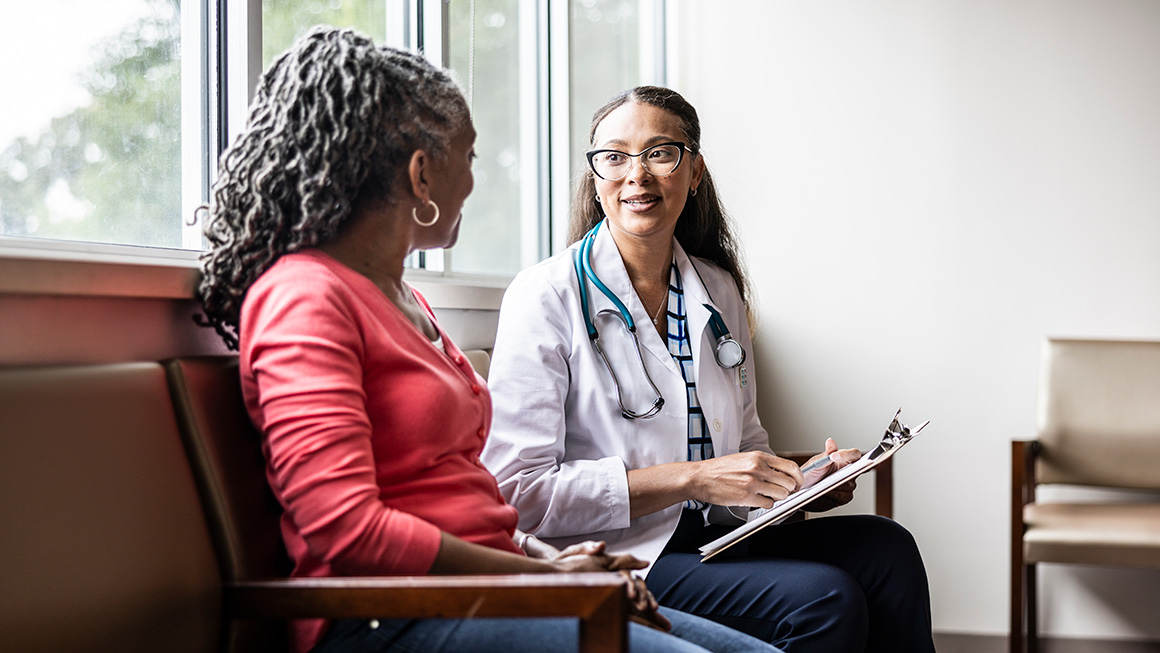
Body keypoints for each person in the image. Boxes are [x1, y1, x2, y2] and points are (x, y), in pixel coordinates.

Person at [195, 28, 781, 653]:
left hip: (493, 586)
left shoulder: (405, 301)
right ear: (422, 174)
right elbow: (347, 531)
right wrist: (544, 579)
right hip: (394, 616)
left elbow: (469, 504)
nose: (473, 183)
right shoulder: (305, 297)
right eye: (469, 158)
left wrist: (553, 569)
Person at [481, 85, 936, 653]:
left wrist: (802, 484)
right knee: (826, 597)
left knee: (887, 548)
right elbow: (517, 493)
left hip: (716, 537)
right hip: (623, 555)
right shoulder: (544, 296)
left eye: (660, 153)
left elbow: (744, 447)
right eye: (615, 156)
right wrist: (691, 477)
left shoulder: (716, 291)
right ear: (595, 178)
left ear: (693, 172)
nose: (637, 175)